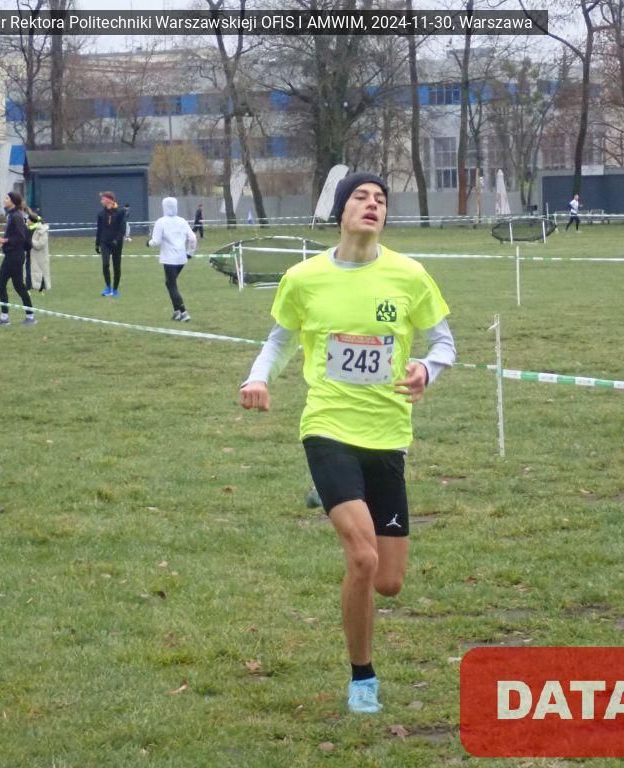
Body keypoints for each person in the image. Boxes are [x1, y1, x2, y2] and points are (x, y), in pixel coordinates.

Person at [239, 172, 456, 715]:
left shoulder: (409, 275)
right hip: (328, 427)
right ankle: (363, 677)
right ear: (340, 210)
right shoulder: (304, 278)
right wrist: (258, 377)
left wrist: (427, 370)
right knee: (362, 558)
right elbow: (279, 341)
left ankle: (334, 495)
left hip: (388, 436)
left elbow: (445, 343)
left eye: (381, 199)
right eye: (360, 197)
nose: (372, 204)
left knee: (389, 582)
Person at [148, 196, 197, 322]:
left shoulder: (161, 222)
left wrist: (149, 243)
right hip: (181, 258)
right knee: (169, 283)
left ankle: (184, 312)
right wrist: (190, 253)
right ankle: (176, 312)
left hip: (169, 259)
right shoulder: (182, 221)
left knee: (172, 285)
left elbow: (156, 241)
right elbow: (193, 238)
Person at [0, 191, 36, 326]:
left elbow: (20, 237)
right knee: (19, 286)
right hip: (13, 254)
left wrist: (4, 240)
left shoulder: (16, 216)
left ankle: (5, 318)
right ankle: (30, 316)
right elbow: (14, 237)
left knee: (0, 284)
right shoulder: (12, 215)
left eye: (7, 198)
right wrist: (2, 246)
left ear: (12, 201)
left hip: (14, 257)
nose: (4, 200)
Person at [95, 191, 127, 297]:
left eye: (103, 199)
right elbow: (99, 229)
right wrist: (97, 243)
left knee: (116, 266)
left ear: (109, 200)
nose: (101, 201)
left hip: (117, 243)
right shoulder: (101, 214)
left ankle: (115, 289)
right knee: (105, 264)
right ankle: (108, 287)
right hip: (105, 242)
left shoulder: (120, 212)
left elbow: (122, 229)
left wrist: (117, 240)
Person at [28, 212, 51, 292]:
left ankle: (42, 286)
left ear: (32, 221)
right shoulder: (29, 229)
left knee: (41, 271)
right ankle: (31, 285)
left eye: (28, 219)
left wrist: (30, 241)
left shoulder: (42, 231)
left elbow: (40, 244)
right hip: (30, 255)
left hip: (40, 256)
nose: (27, 221)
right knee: (32, 271)